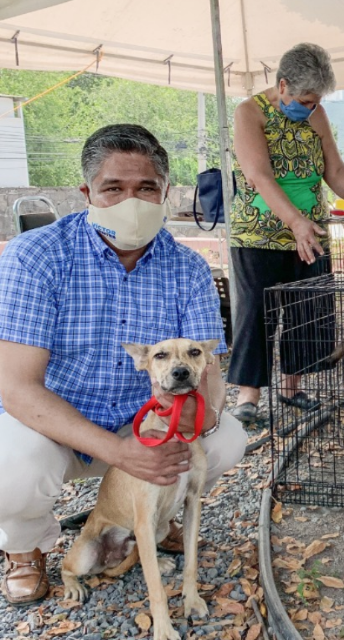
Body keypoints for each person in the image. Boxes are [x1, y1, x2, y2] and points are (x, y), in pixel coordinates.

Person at [0, 124, 248, 606]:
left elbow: (210, 369)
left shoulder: (187, 267)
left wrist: (205, 415)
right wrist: (120, 452)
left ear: (165, 193)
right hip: (57, 424)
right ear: (86, 193)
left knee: (228, 439)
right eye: (113, 188)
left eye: (146, 188)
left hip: (149, 425)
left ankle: (158, 515)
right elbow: (17, 387)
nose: (131, 200)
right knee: (13, 468)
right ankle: (26, 547)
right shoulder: (36, 256)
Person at [228, 43, 344, 421]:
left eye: (316, 101)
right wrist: (293, 222)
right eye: (306, 100)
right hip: (260, 234)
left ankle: (294, 388)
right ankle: (248, 398)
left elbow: (336, 171)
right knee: (257, 312)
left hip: (311, 230)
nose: (310, 107)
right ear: (282, 86)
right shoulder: (250, 113)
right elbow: (258, 175)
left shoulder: (317, 115)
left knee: (308, 308)